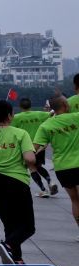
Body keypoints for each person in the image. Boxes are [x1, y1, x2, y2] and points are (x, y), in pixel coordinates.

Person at [0, 100, 37, 265]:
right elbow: (29, 158)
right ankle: (8, 245)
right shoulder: (20, 133)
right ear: (10, 116)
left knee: (9, 223)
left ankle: (16, 258)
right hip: (16, 181)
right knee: (27, 227)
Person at [34, 95, 79, 242]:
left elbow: (35, 148)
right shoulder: (76, 117)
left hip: (62, 167)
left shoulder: (46, 125)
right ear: (66, 105)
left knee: (74, 200)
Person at [11, 97, 56, 197]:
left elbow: (12, 131)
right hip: (39, 144)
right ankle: (50, 182)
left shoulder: (16, 117)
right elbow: (52, 113)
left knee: (32, 167)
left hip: (26, 146)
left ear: (20, 106)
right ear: (30, 105)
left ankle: (43, 190)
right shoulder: (40, 114)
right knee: (38, 166)